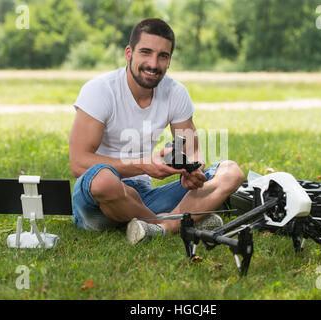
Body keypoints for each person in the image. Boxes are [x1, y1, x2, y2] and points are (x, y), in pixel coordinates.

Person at [69, 18, 245, 244]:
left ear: (169, 61)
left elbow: (192, 148)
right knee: (104, 180)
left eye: (163, 56)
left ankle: (159, 228)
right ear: (129, 53)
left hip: (145, 198)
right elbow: (79, 163)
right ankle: (176, 223)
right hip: (99, 200)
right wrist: (143, 165)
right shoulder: (100, 90)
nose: (153, 63)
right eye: (146, 52)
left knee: (231, 172)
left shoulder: (176, 92)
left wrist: (193, 171)